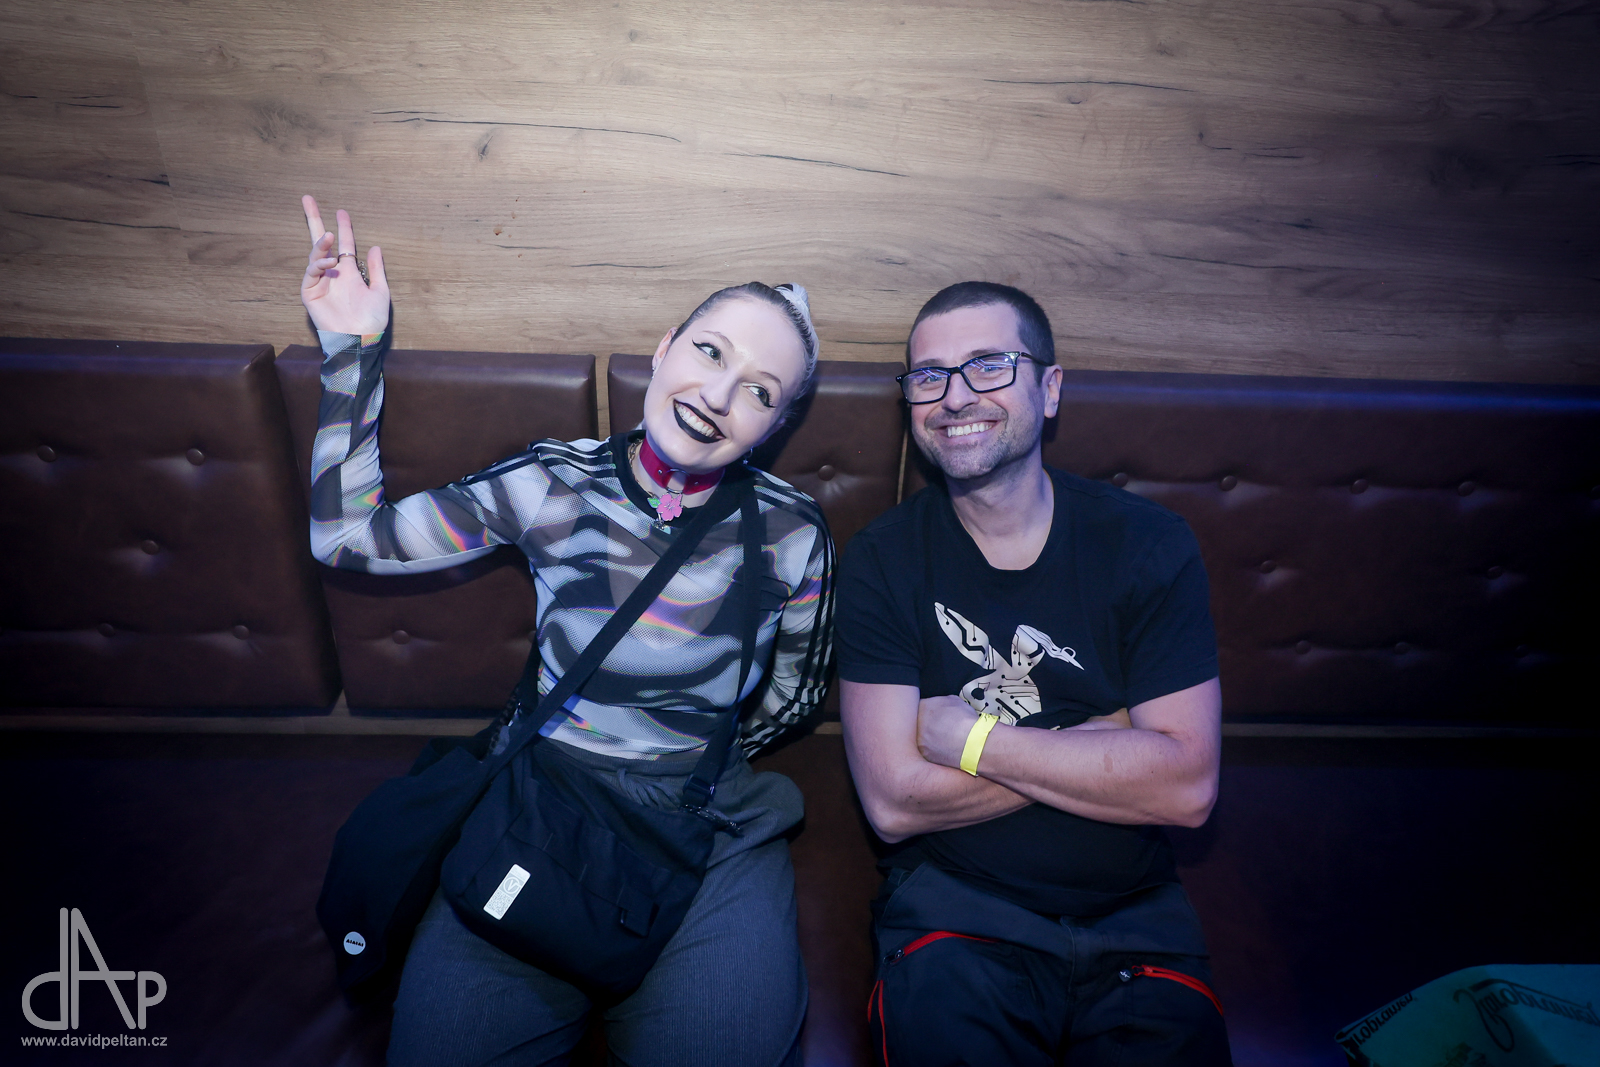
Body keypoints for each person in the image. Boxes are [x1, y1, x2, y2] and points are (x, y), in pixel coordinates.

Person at [297, 196, 834, 1067]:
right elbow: (347, 539)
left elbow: (795, 693)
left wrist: (685, 748)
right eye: (709, 351)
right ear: (665, 346)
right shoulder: (554, 482)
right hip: (540, 808)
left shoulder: (791, 531)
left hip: (706, 833)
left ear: (774, 425)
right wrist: (352, 353)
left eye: (760, 391)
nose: (718, 396)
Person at [836, 282, 1231, 1065]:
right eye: (930, 376)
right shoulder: (883, 557)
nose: (955, 396)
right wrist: (1107, 737)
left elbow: (1187, 787)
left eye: (988, 365)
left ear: (1049, 389)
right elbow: (893, 800)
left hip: (1137, 922)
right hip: (957, 916)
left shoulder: (1146, 542)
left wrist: (969, 739)